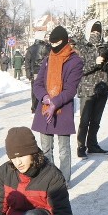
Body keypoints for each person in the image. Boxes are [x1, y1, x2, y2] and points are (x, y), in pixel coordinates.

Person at [31, 26, 84, 181]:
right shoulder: (48, 60)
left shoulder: (75, 62)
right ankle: (51, 180)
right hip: (45, 110)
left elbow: (70, 89)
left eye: (57, 43)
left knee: (64, 150)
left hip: (62, 109)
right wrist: (45, 98)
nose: (54, 47)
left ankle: (64, 180)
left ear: (65, 41)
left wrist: (55, 102)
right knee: (46, 150)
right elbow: (38, 84)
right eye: (51, 43)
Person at [76, 19, 108, 158]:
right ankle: (81, 146)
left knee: (96, 120)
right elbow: (79, 69)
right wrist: (94, 63)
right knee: (84, 120)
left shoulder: (105, 45)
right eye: (93, 31)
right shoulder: (82, 47)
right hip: (87, 88)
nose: (96, 34)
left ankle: (92, 144)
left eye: (98, 31)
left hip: (102, 88)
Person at [24, 32, 50, 112]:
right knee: (45, 88)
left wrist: (28, 73)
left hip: (34, 72)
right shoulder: (47, 47)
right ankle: (43, 105)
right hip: (45, 71)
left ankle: (34, 107)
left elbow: (27, 62)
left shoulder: (30, 49)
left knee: (34, 89)